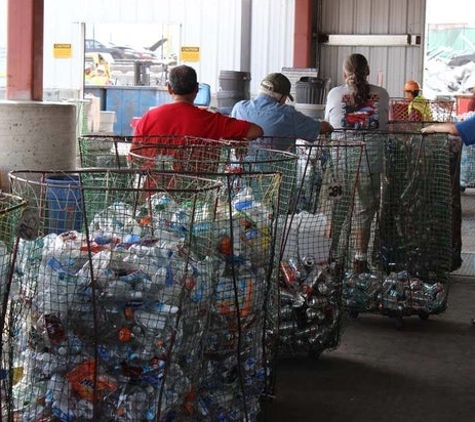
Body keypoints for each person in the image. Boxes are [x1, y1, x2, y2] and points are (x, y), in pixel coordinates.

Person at [324, 53, 390, 274]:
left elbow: (328, 123)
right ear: (368, 71)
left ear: (344, 74)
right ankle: (359, 260)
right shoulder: (382, 94)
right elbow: (384, 125)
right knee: (365, 210)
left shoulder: (334, 94)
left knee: (335, 207)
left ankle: (329, 256)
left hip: (338, 167)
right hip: (370, 165)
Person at [230, 72, 333, 151]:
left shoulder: (239, 108)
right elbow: (320, 128)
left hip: (239, 174)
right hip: (278, 176)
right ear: (282, 97)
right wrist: (328, 125)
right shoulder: (288, 114)